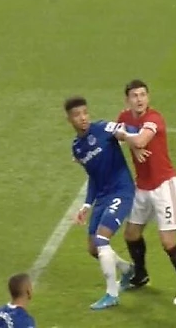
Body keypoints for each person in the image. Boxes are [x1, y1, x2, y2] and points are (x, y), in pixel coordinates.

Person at [116, 79, 176, 305]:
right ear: (127, 99)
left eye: (143, 95)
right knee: (131, 234)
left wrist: (131, 140)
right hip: (142, 186)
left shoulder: (154, 118)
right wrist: (133, 145)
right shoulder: (124, 117)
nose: (139, 99)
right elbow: (114, 133)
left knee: (168, 242)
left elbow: (141, 138)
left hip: (164, 186)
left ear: (148, 97)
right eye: (134, 95)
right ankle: (141, 275)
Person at [66, 96, 136, 310]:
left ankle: (111, 294)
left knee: (102, 239)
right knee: (93, 248)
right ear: (69, 119)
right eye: (77, 115)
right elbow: (93, 178)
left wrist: (128, 135)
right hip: (103, 197)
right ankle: (127, 270)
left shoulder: (104, 128)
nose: (83, 118)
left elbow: (128, 130)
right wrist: (87, 205)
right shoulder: (77, 148)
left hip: (121, 191)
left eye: (85, 112)